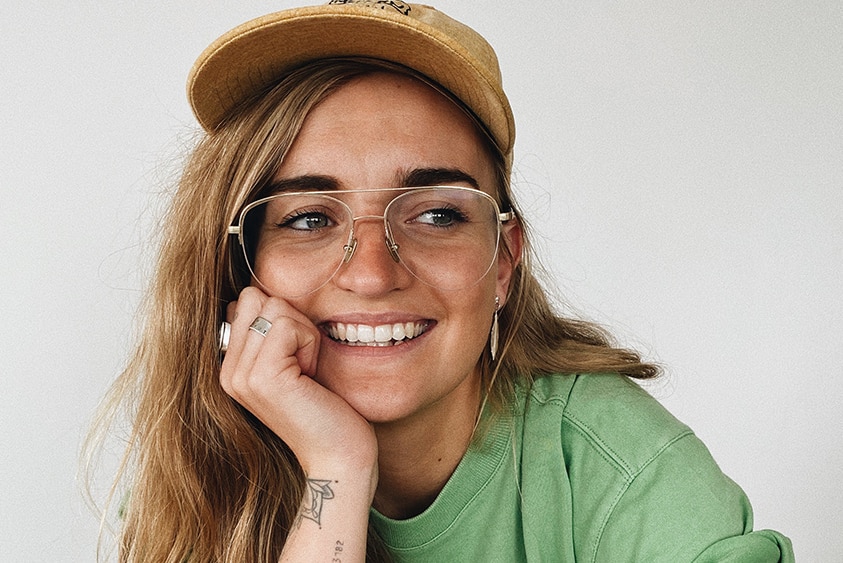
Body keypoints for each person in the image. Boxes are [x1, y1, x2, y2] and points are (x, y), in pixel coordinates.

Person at [94, 1, 794, 561]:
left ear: (501, 262)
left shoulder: (617, 467)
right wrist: (335, 467)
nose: (371, 273)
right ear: (237, 269)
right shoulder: (196, 473)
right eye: (308, 218)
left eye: (434, 212)